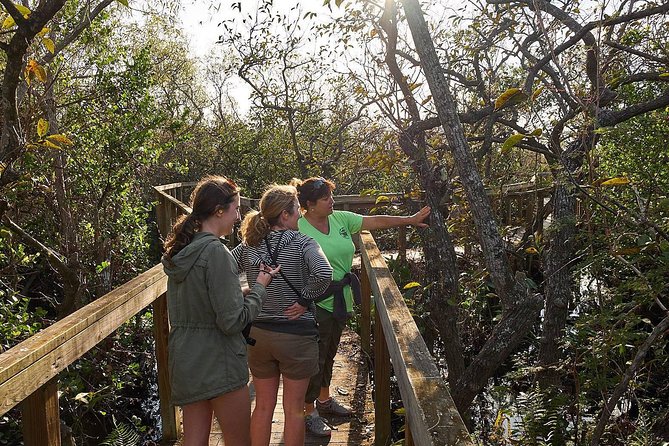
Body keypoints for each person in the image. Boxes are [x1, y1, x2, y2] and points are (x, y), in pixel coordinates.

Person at [293, 177, 431, 437]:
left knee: (330, 351)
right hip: (313, 301)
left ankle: (324, 399)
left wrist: (409, 220)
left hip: (340, 297)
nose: (331, 201)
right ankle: (308, 411)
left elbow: (375, 221)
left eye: (331, 196)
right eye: (326, 199)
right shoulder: (298, 226)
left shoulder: (340, 218)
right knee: (315, 357)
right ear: (309, 205)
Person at [161, 175, 280, 446]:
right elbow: (232, 321)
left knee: (194, 440)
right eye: (236, 209)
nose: (238, 217)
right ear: (218, 210)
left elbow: (200, 302)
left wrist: (239, 294)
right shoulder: (216, 252)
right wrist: (260, 287)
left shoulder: (182, 250)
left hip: (186, 360)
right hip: (218, 361)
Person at [232, 184, 332, 446]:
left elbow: (222, 268)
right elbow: (323, 273)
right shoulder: (302, 242)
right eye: (297, 210)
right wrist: (304, 300)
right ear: (285, 216)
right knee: (293, 410)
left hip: (258, 335)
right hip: (295, 334)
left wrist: (245, 292)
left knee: (263, 407)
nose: (300, 214)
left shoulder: (249, 245)